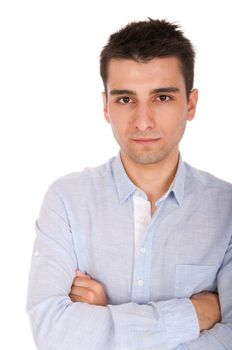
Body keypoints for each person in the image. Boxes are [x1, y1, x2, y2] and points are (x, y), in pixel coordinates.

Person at [26, 18, 232, 350]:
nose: (143, 120)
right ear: (105, 105)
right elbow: (52, 331)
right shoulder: (67, 201)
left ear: (190, 104)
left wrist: (104, 319)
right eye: (125, 99)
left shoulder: (227, 210)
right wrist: (195, 313)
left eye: (162, 98)